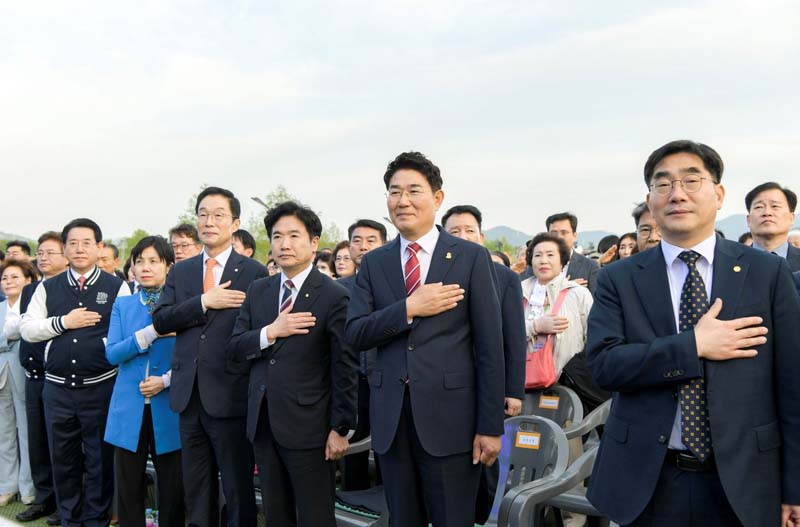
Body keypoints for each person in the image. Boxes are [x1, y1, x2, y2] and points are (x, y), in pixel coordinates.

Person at [586, 140, 800, 526]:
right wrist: (693, 346)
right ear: (650, 200)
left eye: (691, 180)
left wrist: (795, 486)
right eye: (663, 184)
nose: (677, 194)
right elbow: (603, 365)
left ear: (718, 194)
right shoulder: (619, 278)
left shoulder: (766, 273)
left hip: (745, 480)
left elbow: (792, 384)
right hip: (648, 479)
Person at [345, 151, 504, 527]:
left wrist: (490, 426)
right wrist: (408, 308)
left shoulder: (469, 258)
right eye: (394, 192)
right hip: (392, 421)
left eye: (413, 190)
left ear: (437, 198)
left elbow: (489, 348)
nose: (402, 201)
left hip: (453, 421)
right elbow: (355, 333)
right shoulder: (374, 262)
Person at [228, 201, 358, 526]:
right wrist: (270, 332)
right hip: (264, 421)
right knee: (276, 514)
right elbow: (234, 348)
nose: (284, 244)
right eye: (277, 236)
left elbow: (344, 367)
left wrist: (340, 428)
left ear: (314, 243)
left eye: (294, 236)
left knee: (314, 515)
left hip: (311, 427)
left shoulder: (333, 294)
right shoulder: (259, 291)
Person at [153, 187, 265, 527]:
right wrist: (204, 301)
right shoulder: (181, 271)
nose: (208, 221)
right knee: (196, 484)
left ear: (235, 223)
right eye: (202, 213)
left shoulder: (254, 272)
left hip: (231, 395)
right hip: (188, 395)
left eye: (218, 215)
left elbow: (255, 336)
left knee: (237, 487)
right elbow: (161, 319)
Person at [20, 218, 130, 527]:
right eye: (72, 243)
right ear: (65, 248)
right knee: (63, 459)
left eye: (86, 243)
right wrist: (64, 323)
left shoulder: (116, 286)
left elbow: (125, 332)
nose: (79, 249)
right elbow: (28, 329)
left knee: (99, 460)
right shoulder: (47, 286)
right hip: (56, 390)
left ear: (99, 247)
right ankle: (69, 518)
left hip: (100, 388)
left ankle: (96, 519)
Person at [441, 204, 526, 524]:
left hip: (491, 381)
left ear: (481, 235)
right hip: (450, 384)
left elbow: (514, 337)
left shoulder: (503, 277)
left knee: (487, 455)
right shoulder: (438, 277)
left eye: (469, 230)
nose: (462, 237)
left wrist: (513, 389)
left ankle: (483, 515)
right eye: (454, 232)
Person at [105, 236, 184, 527]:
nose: (145, 267)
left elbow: (192, 358)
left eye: (154, 261)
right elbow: (113, 353)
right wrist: (151, 333)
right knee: (128, 485)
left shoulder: (180, 304)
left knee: (172, 485)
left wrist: (165, 381)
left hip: (169, 404)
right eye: (139, 261)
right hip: (128, 407)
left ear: (168, 266)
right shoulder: (123, 305)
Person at [15, 232, 68, 524]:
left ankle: (65, 502)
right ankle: (44, 498)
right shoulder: (30, 290)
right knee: (36, 440)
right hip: (32, 376)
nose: (43, 257)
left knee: (58, 443)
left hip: (58, 378)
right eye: (40, 252)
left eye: (50, 252)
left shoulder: (68, 291)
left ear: (65, 256)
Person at [337, 218, 387, 491]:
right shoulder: (338, 288)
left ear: (384, 245)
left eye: (371, 240)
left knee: (387, 446)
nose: (363, 246)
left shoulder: (393, 286)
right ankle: (352, 498)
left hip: (385, 376)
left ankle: (387, 502)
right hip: (351, 379)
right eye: (357, 240)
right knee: (352, 441)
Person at [522, 233, 601, 406]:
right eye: (537, 255)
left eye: (550, 255)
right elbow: (505, 334)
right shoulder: (517, 292)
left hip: (568, 384)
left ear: (562, 260)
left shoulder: (578, 293)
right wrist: (536, 326)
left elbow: (594, 337)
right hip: (523, 383)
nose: (543, 261)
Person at [0, 259, 38, 507]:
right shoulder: (1, 307)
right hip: (1, 375)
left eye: (15, 277)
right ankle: (7, 485)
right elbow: (14, 335)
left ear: (28, 280)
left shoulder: (32, 307)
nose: (8, 282)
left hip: (24, 373)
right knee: (4, 433)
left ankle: (29, 487)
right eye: (4, 278)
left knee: (27, 432)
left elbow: (31, 334)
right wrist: (10, 337)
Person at [745, 182, 800, 271]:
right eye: (759, 207)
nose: (767, 213)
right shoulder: (730, 263)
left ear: (791, 218)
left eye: (775, 206)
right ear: (748, 220)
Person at [544, 212, 600, 293]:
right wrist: (566, 286)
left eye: (564, 233)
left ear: (574, 236)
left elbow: (595, 300)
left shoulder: (590, 266)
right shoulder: (536, 265)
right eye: (554, 233)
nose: (559, 237)